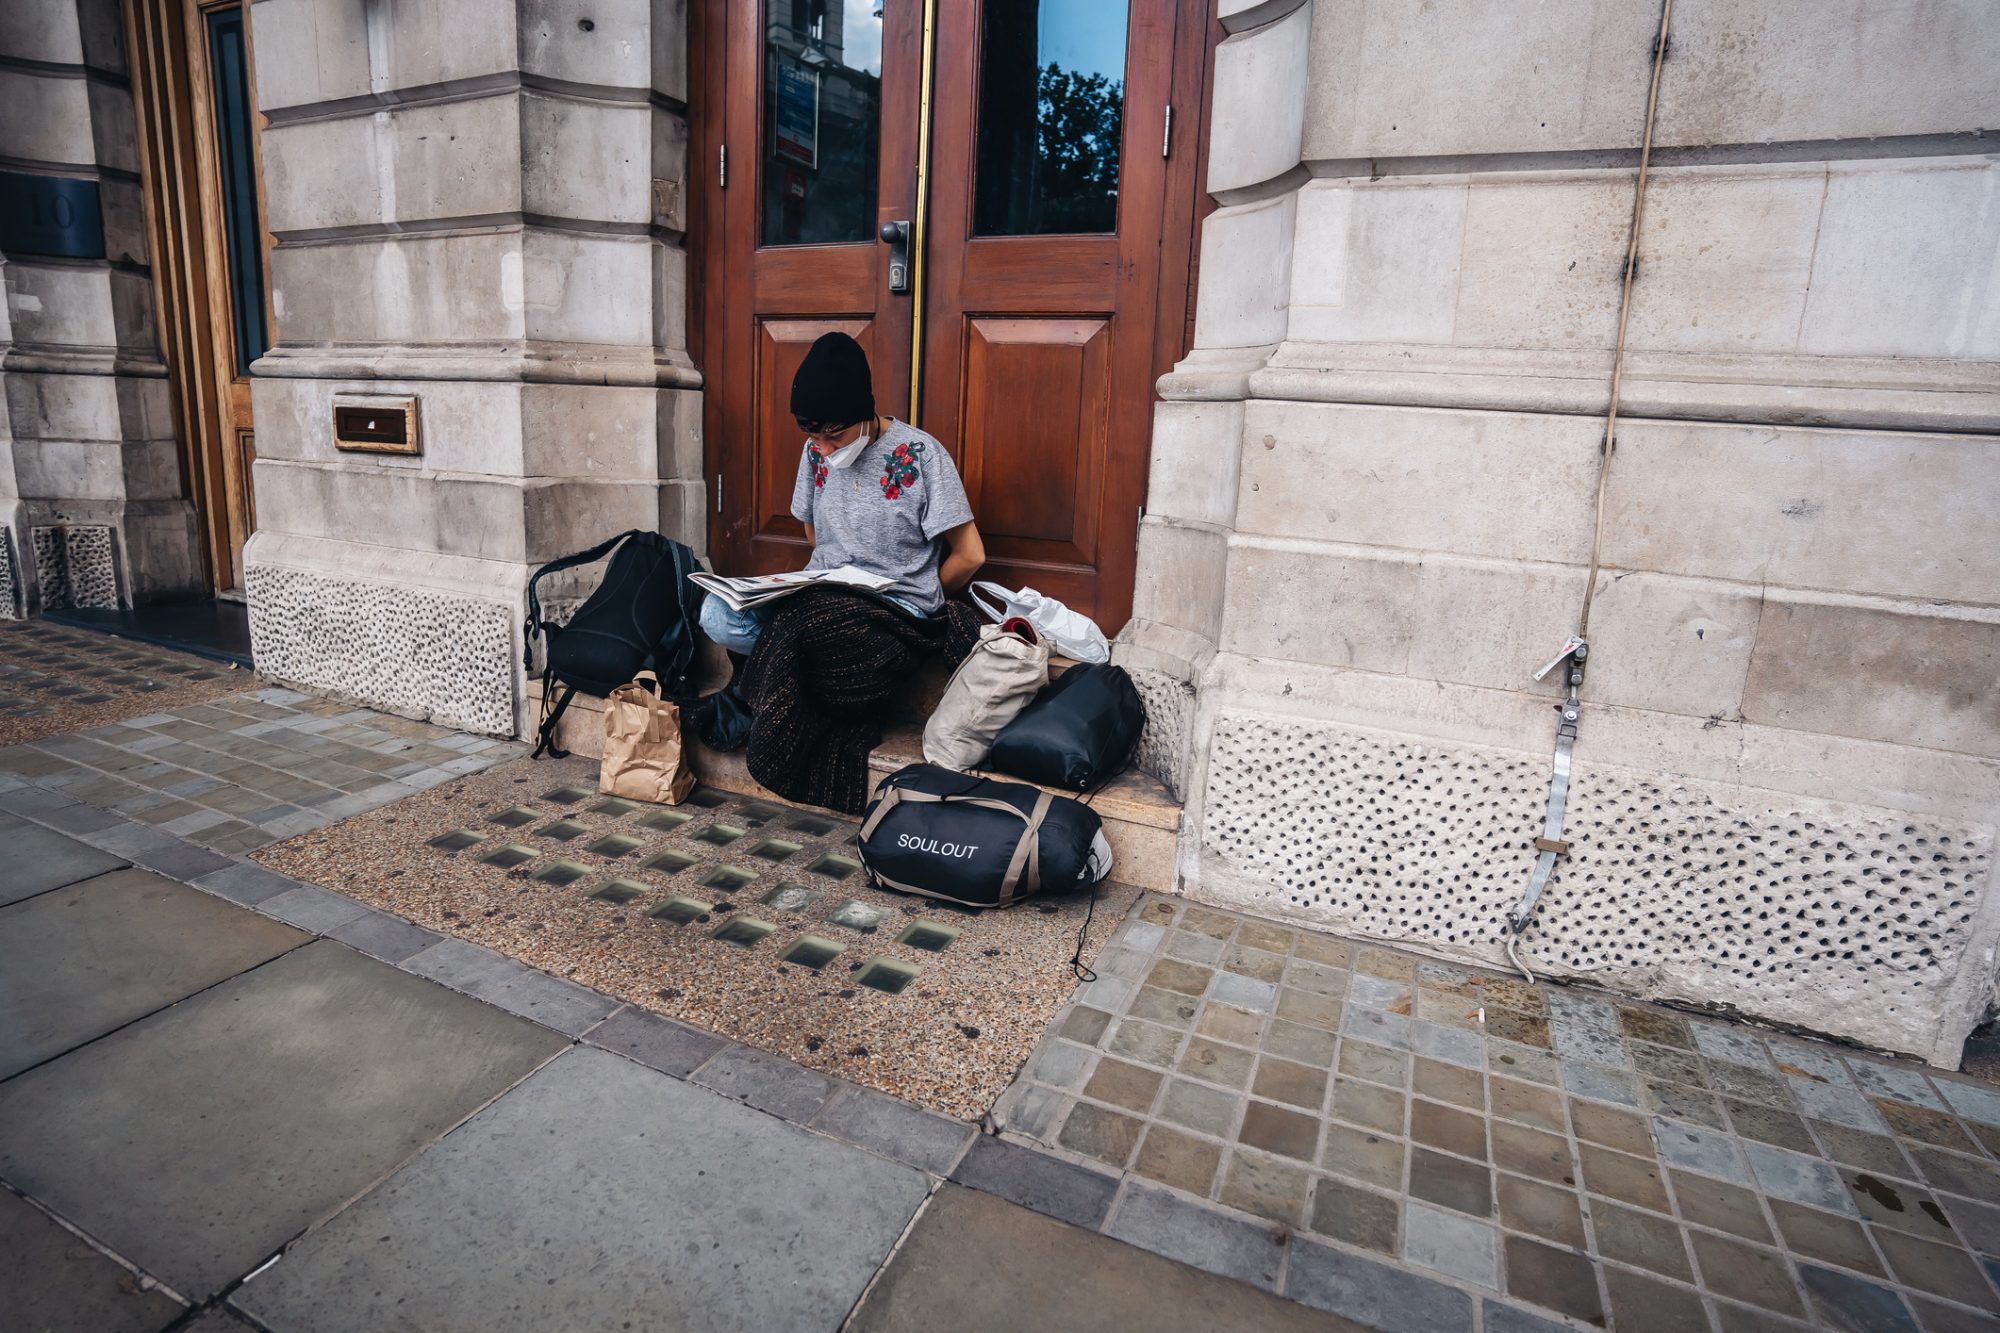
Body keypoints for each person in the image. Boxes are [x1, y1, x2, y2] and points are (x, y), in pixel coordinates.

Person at [698, 332, 986, 655]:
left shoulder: (921, 455)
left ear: (863, 414)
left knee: (818, 635)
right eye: (813, 435)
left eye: (834, 435)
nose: (823, 448)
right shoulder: (815, 452)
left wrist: (922, 594)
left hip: (890, 610)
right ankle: (800, 659)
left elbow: (971, 553)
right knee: (717, 613)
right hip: (822, 595)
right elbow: (814, 532)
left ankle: (795, 660)